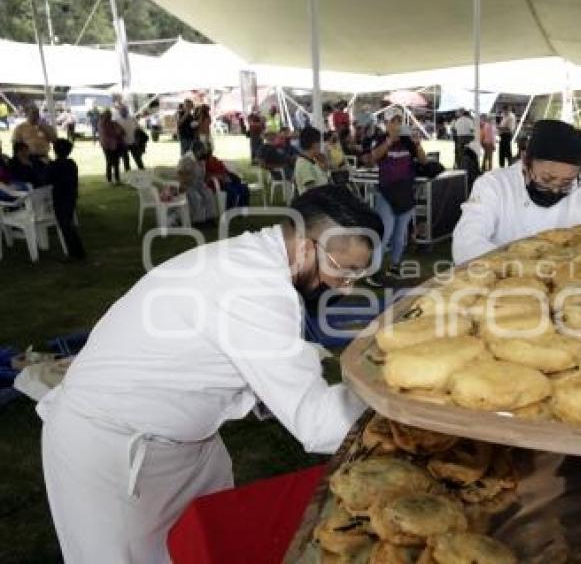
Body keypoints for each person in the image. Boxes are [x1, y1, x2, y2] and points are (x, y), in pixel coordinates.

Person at [38, 185, 382, 562]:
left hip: (186, 444)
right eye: (343, 270)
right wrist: (397, 393)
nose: (346, 288)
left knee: (211, 543)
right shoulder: (254, 287)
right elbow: (318, 424)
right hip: (110, 450)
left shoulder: (258, 259)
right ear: (304, 244)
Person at [452, 119, 581, 264]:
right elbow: (466, 243)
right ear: (525, 162)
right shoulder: (494, 185)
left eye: (566, 182)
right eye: (547, 179)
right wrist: (519, 267)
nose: (555, 189)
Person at [366, 107, 428, 281]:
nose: (397, 124)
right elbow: (373, 159)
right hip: (386, 194)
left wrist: (417, 144)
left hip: (405, 193)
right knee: (385, 233)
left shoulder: (408, 141)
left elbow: (423, 160)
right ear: (386, 124)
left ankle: (395, 266)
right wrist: (389, 142)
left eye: (399, 121)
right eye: (393, 121)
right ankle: (373, 272)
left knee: (400, 235)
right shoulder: (379, 139)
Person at [46, 139, 86, 260]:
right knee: (68, 224)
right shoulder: (71, 163)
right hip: (71, 196)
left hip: (60, 198)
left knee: (65, 226)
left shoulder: (54, 165)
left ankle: (74, 253)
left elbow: (45, 179)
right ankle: (78, 251)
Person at [177, 141, 218, 225]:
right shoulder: (187, 159)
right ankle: (198, 220)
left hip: (199, 183)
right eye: (202, 151)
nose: (203, 153)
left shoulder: (200, 159)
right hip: (188, 184)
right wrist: (182, 184)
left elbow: (202, 174)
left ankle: (210, 218)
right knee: (196, 197)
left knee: (208, 194)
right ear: (197, 151)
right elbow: (181, 173)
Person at [203, 145, 250, 209]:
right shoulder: (204, 162)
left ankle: (241, 209)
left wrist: (228, 176)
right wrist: (220, 177)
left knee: (244, 188)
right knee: (232, 192)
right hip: (219, 183)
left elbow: (224, 169)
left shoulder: (215, 159)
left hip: (227, 179)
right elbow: (207, 175)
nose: (210, 150)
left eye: (209, 148)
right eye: (207, 149)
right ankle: (229, 211)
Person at [294, 127, 331, 192]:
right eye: (320, 142)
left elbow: (325, 171)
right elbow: (312, 192)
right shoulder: (304, 164)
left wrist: (324, 160)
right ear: (314, 144)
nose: (320, 145)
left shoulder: (312, 159)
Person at [97, 111, 124, 185]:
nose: (109, 117)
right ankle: (109, 180)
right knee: (110, 162)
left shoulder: (113, 123)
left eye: (110, 115)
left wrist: (118, 132)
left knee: (116, 162)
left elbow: (121, 131)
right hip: (107, 145)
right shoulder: (102, 124)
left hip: (115, 145)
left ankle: (117, 179)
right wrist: (117, 132)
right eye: (108, 115)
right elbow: (113, 133)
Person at [116, 106, 144, 171]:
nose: (123, 112)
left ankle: (142, 169)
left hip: (133, 141)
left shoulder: (132, 118)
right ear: (119, 112)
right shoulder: (117, 120)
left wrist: (139, 138)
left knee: (137, 157)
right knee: (125, 159)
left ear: (127, 111)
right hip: (123, 143)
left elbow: (138, 128)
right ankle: (128, 171)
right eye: (122, 111)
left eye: (125, 110)